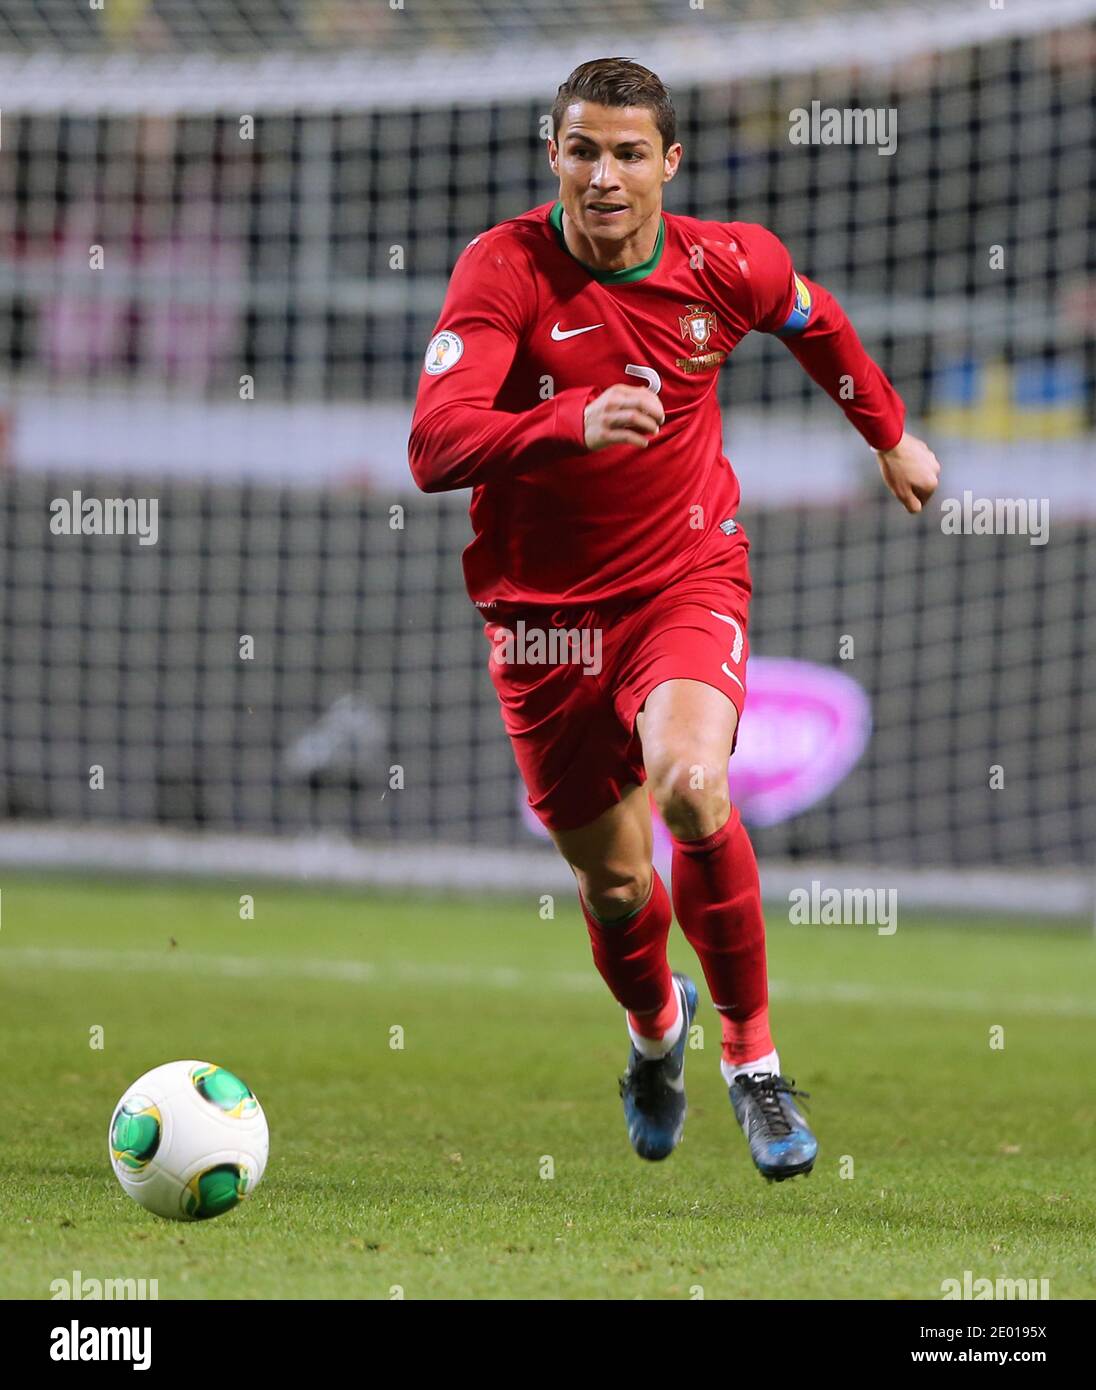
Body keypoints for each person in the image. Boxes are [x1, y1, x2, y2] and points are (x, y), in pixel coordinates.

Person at [408, 56, 940, 1180]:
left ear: (668, 163)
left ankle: (752, 1060)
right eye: (584, 150)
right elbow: (434, 444)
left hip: (681, 580)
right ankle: (658, 1031)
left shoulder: (727, 261)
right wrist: (563, 422)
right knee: (612, 885)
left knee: (695, 789)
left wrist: (888, 433)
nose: (605, 176)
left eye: (629, 152)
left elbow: (817, 321)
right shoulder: (503, 269)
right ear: (552, 155)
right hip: (542, 622)